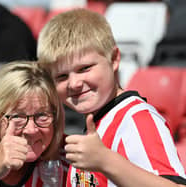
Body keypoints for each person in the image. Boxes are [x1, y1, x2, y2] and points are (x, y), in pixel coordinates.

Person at [37, 8, 186, 187]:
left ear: (114, 59)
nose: (74, 83)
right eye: (62, 77)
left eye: (85, 68)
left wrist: (106, 161)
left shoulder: (137, 120)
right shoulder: (99, 122)